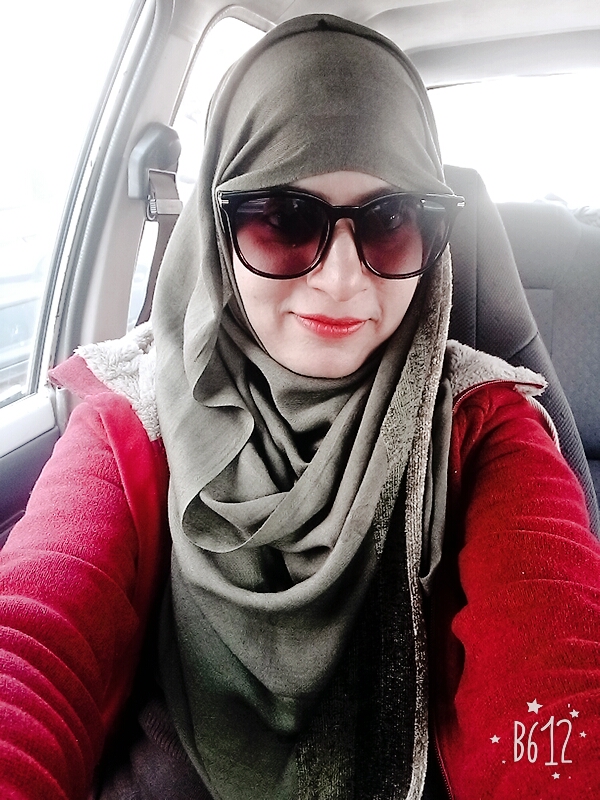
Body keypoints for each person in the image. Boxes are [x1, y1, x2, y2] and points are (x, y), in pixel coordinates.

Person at [1, 14, 599, 800]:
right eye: (284, 219)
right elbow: (31, 646)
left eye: (391, 222)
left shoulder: (480, 425)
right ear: (217, 228)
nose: (343, 279)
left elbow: (553, 695)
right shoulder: (133, 417)